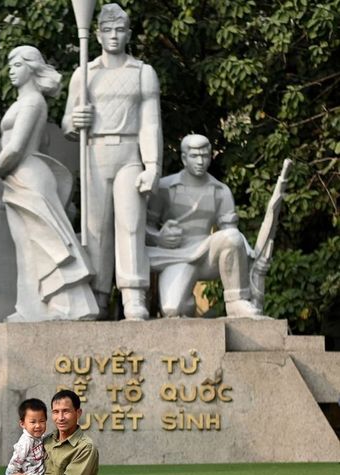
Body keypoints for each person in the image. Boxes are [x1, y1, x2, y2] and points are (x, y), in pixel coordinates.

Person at [62, 3, 163, 320]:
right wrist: (75, 120)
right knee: (95, 230)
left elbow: (150, 123)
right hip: (94, 153)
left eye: (120, 30)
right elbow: (66, 123)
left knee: (131, 225)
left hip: (129, 154)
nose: (114, 36)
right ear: (98, 34)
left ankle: (133, 295)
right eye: (107, 30)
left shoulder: (143, 73)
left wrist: (153, 166)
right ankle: (98, 296)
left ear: (129, 33)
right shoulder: (84, 73)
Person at [0, 45, 99, 322]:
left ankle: (63, 307)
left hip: (25, 175)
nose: (11, 71)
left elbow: (15, 147)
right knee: (27, 247)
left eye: (17, 65)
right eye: (10, 65)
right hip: (19, 178)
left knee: (44, 243)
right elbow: (43, 143)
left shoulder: (32, 102)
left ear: (31, 67)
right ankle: (31, 308)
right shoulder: (24, 102)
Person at [146, 134, 262, 317]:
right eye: (194, 156)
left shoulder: (221, 191)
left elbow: (230, 231)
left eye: (205, 156)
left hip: (207, 254)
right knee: (172, 309)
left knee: (232, 237)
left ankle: (236, 301)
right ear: (184, 158)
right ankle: (187, 303)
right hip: (174, 255)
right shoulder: (164, 188)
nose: (200, 161)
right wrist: (158, 237)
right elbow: (144, 227)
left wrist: (249, 252)